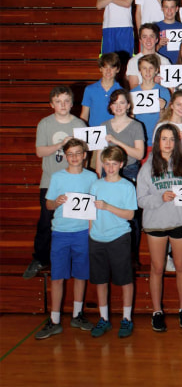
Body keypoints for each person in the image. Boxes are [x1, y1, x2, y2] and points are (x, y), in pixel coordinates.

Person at [34, 138, 97, 340]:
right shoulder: (57, 177)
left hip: (82, 233)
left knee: (81, 275)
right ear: (65, 156)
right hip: (61, 232)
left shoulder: (91, 177)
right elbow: (49, 205)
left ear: (85, 155)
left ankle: (77, 315)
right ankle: (54, 319)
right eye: (71, 154)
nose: (75, 157)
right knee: (58, 277)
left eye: (79, 153)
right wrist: (57, 201)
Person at [136, 124, 182, 332]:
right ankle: (157, 311)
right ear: (157, 141)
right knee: (157, 268)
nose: (168, 143)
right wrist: (159, 198)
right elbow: (141, 200)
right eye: (164, 139)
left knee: (181, 266)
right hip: (156, 224)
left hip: (180, 222)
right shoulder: (147, 167)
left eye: (172, 139)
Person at [24, 87, 88, 280]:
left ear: (72, 103)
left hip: (74, 180)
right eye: (58, 101)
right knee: (46, 221)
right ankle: (40, 258)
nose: (63, 105)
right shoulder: (45, 123)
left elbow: (86, 154)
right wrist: (62, 145)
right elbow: (40, 152)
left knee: (76, 221)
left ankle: (74, 259)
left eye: (66, 101)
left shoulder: (80, 124)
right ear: (52, 104)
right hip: (50, 181)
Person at [87, 146, 138, 338]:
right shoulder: (96, 185)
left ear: (121, 164)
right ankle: (104, 318)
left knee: (125, 280)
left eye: (114, 164)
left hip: (119, 237)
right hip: (97, 239)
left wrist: (108, 207)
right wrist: (91, 232)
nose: (110, 168)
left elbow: (130, 214)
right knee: (100, 281)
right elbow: (90, 213)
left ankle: (126, 319)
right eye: (107, 164)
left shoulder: (127, 186)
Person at [95, 89, 145, 180]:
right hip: (108, 170)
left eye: (122, 103)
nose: (118, 106)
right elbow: (100, 154)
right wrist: (98, 176)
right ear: (110, 106)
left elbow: (139, 155)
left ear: (128, 105)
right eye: (115, 103)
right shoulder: (104, 125)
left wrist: (116, 141)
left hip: (129, 170)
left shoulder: (137, 126)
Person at [131, 54, 171, 152]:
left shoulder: (164, 91)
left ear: (156, 70)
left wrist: (162, 109)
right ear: (139, 71)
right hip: (139, 140)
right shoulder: (132, 93)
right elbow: (130, 120)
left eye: (151, 68)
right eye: (144, 68)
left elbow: (168, 119)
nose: (148, 71)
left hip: (158, 140)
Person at [80, 52, 122, 127]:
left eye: (112, 68)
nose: (108, 71)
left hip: (115, 133)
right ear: (100, 69)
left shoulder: (122, 91)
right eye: (105, 67)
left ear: (117, 69)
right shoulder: (89, 90)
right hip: (95, 134)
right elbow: (84, 116)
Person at [156, 0, 182, 64]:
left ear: (177, 9)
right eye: (166, 7)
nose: (169, 11)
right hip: (160, 66)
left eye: (172, 7)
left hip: (180, 66)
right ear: (162, 8)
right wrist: (158, 45)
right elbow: (148, 53)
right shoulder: (155, 28)